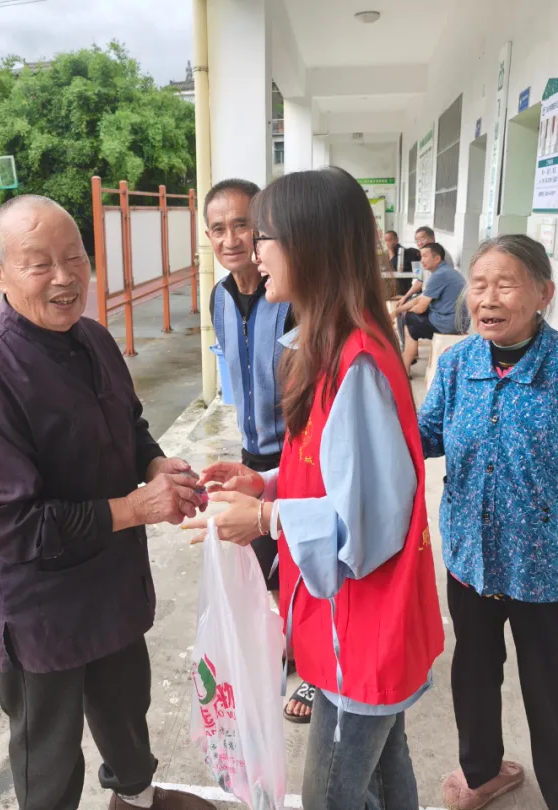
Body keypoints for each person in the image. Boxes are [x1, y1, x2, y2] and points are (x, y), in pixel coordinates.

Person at [0, 195, 213, 810]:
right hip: (41, 609)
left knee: (126, 712)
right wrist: (137, 508)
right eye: (40, 264)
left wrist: (155, 465)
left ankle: (137, 801)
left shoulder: (94, 339)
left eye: (75, 258)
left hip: (109, 583)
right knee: (49, 758)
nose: (64, 278)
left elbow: (130, 425)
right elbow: (15, 527)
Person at [185, 167, 446, 810]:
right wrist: (265, 481)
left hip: (364, 627)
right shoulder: (327, 346)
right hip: (351, 623)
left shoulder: (356, 364)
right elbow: (331, 472)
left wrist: (266, 519)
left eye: (262, 236)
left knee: (330, 794)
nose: (253, 251)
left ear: (309, 245)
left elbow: (370, 527)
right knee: (384, 773)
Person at [417, 234, 558, 810]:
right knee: (472, 676)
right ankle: (482, 771)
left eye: (505, 285)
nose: (487, 298)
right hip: (471, 559)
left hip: (555, 572)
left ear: (544, 294)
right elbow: (427, 436)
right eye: (479, 285)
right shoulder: (458, 363)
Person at [205, 178, 315, 724]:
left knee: (308, 565)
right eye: (217, 229)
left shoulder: (289, 296)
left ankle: (316, 669)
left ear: (263, 229)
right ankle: (287, 645)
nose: (230, 239)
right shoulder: (219, 296)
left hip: (297, 453)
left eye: (242, 225)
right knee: (261, 563)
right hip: (252, 453)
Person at [396, 242, 467, 375]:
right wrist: (396, 311)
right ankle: (407, 358)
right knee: (409, 315)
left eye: (425, 256)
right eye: (421, 257)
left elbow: (420, 308)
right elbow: (420, 298)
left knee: (410, 319)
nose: (422, 261)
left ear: (437, 258)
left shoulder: (439, 275)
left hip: (448, 324)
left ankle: (406, 366)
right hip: (458, 322)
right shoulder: (447, 272)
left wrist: (405, 311)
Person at [384, 229, 421, 298]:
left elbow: (395, 267)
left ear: (397, 240)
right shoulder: (385, 254)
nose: (388, 243)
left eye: (390, 240)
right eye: (386, 240)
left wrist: (391, 250)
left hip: (402, 291)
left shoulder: (405, 252)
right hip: (388, 291)